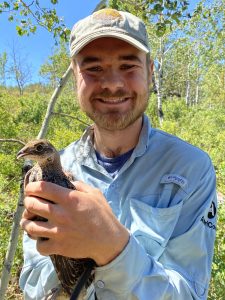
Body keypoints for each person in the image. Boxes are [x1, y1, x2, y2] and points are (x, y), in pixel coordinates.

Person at [19, 8, 217, 300]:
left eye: (128, 65)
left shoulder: (191, 169)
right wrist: (61, 250)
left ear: (150, 71)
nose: (112, 83)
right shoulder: (53, 170)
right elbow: (33, 283)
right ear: (75, 75)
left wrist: (112, 247)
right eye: (94, 68)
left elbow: (190, 293)